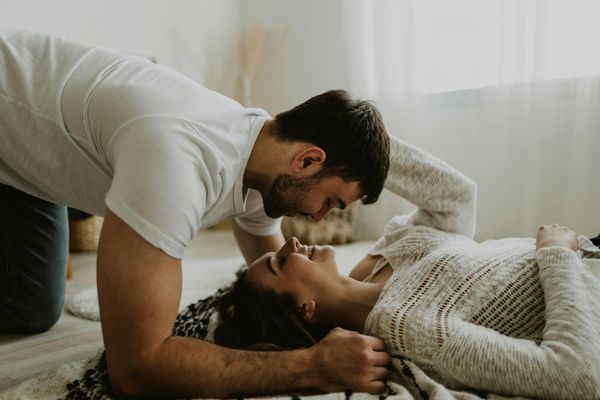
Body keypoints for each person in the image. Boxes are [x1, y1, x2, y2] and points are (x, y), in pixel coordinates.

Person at [0, 30, 392, 397]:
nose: (319, 217)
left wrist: (345, 308)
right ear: (307, 161)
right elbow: (134, 369)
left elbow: (284, 281)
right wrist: (314, 366)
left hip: (25, 155)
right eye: (330, 201)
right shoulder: (176, 164)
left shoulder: (262, 155)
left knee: (32, 306)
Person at [215, 135, 600, 400]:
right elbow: (576, 375)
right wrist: (557, 257)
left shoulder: (379, 260)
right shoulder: (413, 330)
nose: (291, 243)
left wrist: (352, 145)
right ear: (305, 308)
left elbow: (456, 197)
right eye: (281, 262)